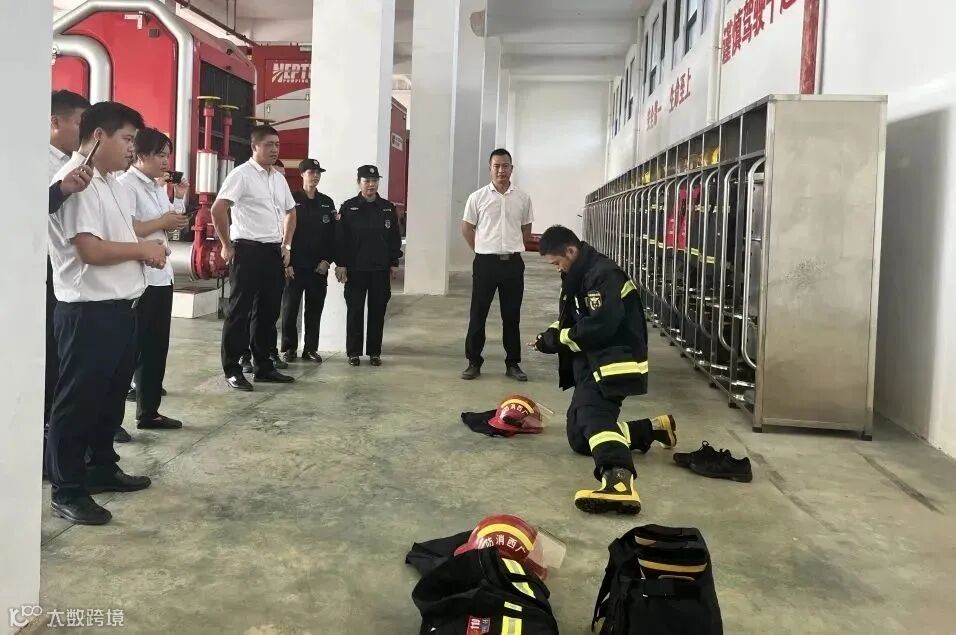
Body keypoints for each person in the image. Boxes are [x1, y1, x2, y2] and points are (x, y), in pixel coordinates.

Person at [48, 101, 167, 525]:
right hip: (88, 314)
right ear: (99, 136)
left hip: (120, 309)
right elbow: (91, 250)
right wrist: (141, 250)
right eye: (128, 139)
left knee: (109, 399)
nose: (133, 148)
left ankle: (101, 466)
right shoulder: (77, 181)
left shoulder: (111, 182)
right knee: (77, 405)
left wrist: (147, 246)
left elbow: (120, 234)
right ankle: (67, 489)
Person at [531, 226, 676, 516]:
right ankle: (652, 429)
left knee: (592, 417)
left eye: (557, 262)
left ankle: (619, 479)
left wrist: (559, 340)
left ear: (570, 251)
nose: (556, 268)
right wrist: (548, 337)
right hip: (592, 360)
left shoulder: (603, 274)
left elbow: (601, 325)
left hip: (614, 360)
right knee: (579, 437)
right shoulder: (577, 275)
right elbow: (571, 318)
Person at [212, 125, 297, 391]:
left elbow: (291, 211)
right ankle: (233, 369)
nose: (274, 149)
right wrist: (226, 245)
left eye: (277, 145)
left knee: (268, 312)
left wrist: (287, 244)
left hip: (273, 251)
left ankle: (263, 366)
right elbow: (218, 209)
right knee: (240, 311)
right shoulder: (242, 175)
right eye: (269, 144)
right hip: (247, 250)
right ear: (255, 147)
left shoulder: (278, 178)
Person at [118, 128, 190, 436]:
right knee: (128, 351)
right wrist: (162, 221)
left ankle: (149, 412)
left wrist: (179, 200)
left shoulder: (155, 186)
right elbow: (125, 229)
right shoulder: (126, 186)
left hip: (161, 277)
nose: (165, 162)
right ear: (142, 154)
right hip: (139, 279)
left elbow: (168, 225)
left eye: (167, 155)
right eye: (160, 155)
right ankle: (111, 423)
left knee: (155, 348)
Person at [45, 90, 91, 470]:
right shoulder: (36, 161)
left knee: (62, 364)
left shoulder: (75, 164)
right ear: (55, 122)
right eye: (80, 122)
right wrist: (61, 189)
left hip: (63, 274)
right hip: (42, 271)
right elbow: (26, 208)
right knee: (48, 361)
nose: (84, 131)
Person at [461, 148, 533, 383]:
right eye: (496, 166)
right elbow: (467, 228)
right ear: (490, 168)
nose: (501, 170)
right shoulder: (477, 197)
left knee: (511, 316)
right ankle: (473, 362)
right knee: (478, 314)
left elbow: (526, 228)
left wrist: (514, 246)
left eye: (505, 166)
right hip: (485, 264)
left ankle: (513, 363)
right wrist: (481, 249)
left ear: (512, 168)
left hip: (513, 264)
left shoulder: (522, 198)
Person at [335, 165, 402, 367]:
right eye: (366, 181)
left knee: (377, 312)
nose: (371, 185)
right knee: (355, 311)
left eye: (374, 181)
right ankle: (353, 353)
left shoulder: (387, 208)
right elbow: (341, 239)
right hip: (356, 269)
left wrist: (394, 262)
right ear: (359, 183)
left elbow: (394, 237)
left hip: (380, 269)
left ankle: (374, 352)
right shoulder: (348, 208)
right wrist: (341, 264)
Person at [279, 159, 336, 363]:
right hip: (294, 266)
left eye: (318, 173)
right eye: (311, 172)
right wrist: (287, 263)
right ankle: (289, 348)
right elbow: (283, 232)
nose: (315, 176)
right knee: (290, 309)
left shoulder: (327, 202)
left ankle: (310, 349)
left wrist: (327, 261)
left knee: (314, 310)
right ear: (302, 174)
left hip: (318, 268)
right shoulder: (291, 199)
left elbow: (333, 236)